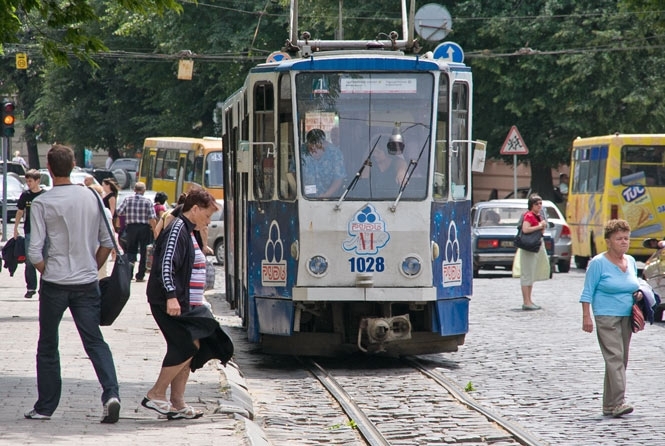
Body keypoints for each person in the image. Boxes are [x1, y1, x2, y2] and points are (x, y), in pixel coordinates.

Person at [24, 144, 120, 423]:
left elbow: (33, 251)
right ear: (74, 164)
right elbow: (107, 240)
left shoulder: (43, 202)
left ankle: (45, 406)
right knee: (94, 341)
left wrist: (46, 269)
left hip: (55, 283)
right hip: (86, 281)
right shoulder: (91, 197)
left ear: (49, 170)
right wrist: (91, 264)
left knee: (48, 343)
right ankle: (111, 393)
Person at [141, 189, 233, 419]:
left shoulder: (188, 230)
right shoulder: (177, 229)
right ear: (195, 209)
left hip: (184, 302)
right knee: (184, 346)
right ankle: (155, 394)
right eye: (207, 216)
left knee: (194, 344)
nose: (209, 221)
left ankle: (177, 403)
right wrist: (171, 295)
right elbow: (165, 265)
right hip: (168, 301)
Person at [580, 219, 642, 418]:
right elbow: (587, 291)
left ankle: (608, 405)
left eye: (626, 238)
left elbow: (634, 285)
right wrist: (586, 317)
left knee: (620, 360)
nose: (624, 242)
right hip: (606, 316)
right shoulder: (598, 263)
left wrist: (639, 294)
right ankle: (618, 403)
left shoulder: (630, 261)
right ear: (608, 241)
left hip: (627, 316)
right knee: (614, 357)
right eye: (619, 239)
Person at [116, 181, 157, 282]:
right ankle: (140, 275)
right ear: (144, 190)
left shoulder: (127, 199)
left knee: (131, 250)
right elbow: (152, 217)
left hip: (131, 228)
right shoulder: (147, 201)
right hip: (144, 228)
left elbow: (119, 212)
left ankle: (129, 274)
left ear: (134, 190)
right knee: (144, 251)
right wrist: (155, 231)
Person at [13, 169, 45, 298]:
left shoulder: (44, 195)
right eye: (27, 181)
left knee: (45, 260)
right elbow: (20, 211)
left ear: (37, 181)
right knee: (30, 260)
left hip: (44, 232)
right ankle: (31, 287)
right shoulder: (25, 195)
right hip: (30, 231)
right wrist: (15, 228)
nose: (28, 184)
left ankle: (44, 288)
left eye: (30, 181)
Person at [518, 194, 549, 310]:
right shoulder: (529, 215)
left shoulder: (538, 216)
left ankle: (529, 300)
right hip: (528, 247)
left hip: (536, 246)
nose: (539, 206)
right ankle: (526, 301)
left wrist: (542, 226)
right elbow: (525, 229)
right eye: (537, 204)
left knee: (531, 273)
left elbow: (540, 231)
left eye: (541, 203)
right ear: (531, 205)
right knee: (527, 274)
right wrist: (539, 226)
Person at [301, 128, 346, 198]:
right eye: (311, 148)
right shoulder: (301, 151)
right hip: (304, 198)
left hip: (330, 200)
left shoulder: (335, 153)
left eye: (318, 147)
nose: (314, 150)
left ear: (325, 144)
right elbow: (293, 173)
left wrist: (325, 196)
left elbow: (339, 178)